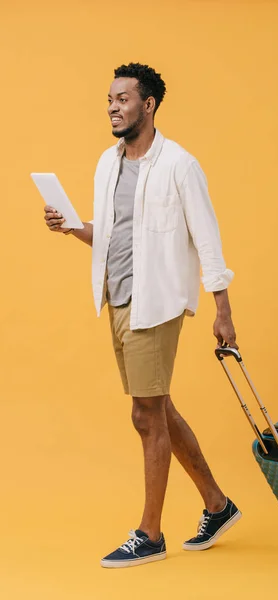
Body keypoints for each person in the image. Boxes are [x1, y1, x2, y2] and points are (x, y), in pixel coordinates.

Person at [43, 62, 241, 569]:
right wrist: (70, 227)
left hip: (156, 302)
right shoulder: (107, 164)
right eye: (109, 99)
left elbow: (208, 239)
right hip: (118, 297)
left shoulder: (179, 164)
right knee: (160, 409)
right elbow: (109, 235)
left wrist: (223, 311)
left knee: (144, 414)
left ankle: (150, 535)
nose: (112, 106)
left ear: (148, 105)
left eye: (123, 99)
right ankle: (217, 506)